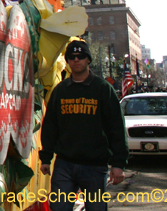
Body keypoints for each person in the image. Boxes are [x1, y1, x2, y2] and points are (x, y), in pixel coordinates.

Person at [39, 40, 127, 211]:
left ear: (88, 60)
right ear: (68, 61)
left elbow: (116, 127)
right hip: (64, 164)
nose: (76, 60)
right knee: (59, 208)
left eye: (80, 56)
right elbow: (50, 126)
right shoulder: (60, 91)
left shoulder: (102, 89)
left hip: (95, 165)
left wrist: (118, 164)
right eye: (72, 57)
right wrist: (46, 158)